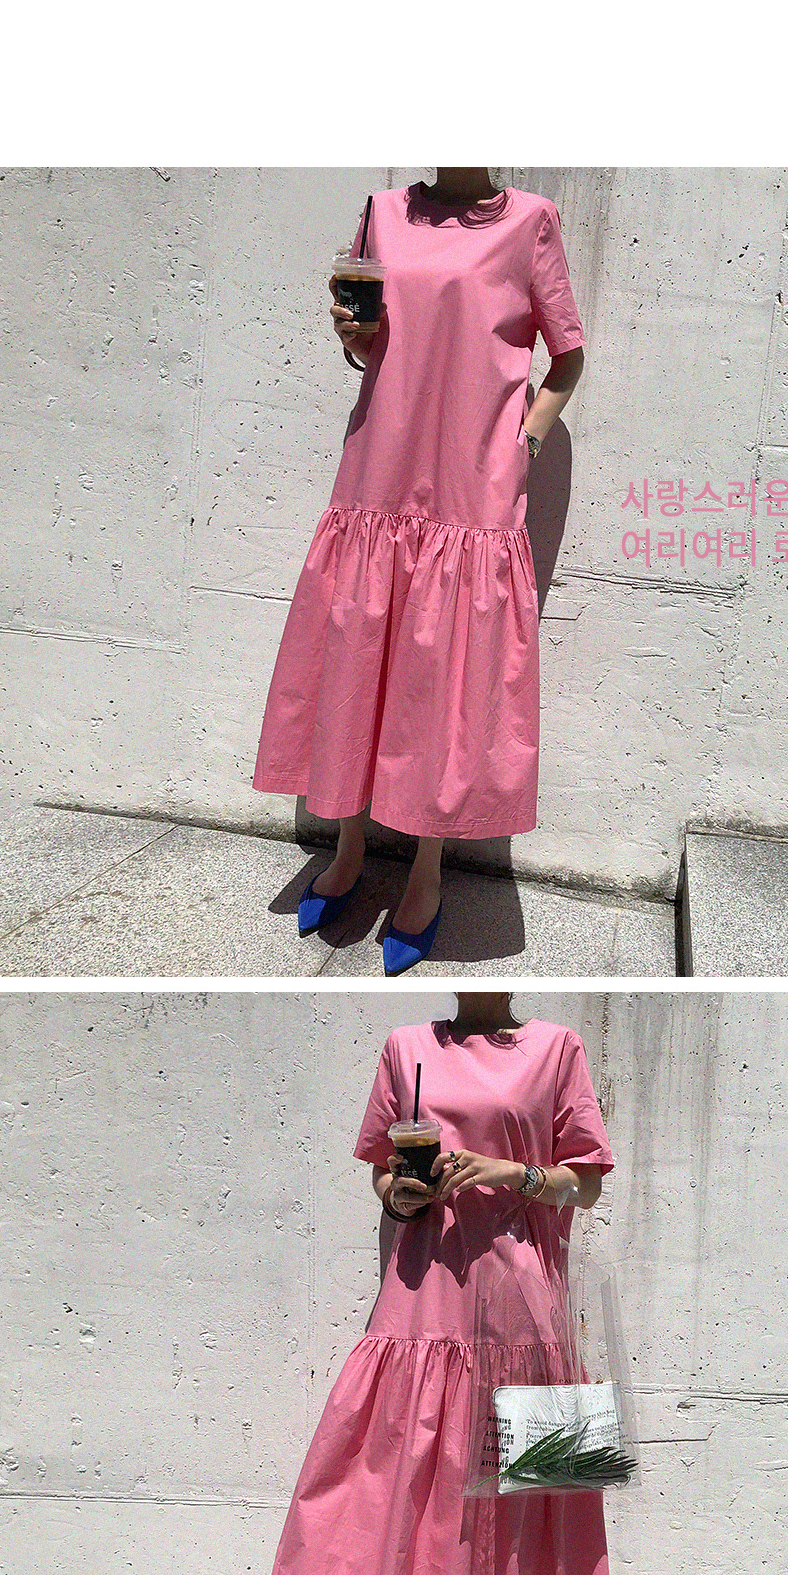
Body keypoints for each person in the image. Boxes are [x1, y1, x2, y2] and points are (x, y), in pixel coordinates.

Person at [271, 995, 615, 1575]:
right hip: (423, 1302)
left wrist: (510, 1172)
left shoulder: (557, 1047)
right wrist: (402, 1196)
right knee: (423, 1504)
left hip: (524, 1307)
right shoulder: (406, 1047)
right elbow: (383, 1171)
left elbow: (588, 1184)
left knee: (514, 1506)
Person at [253, 168, 585, 973]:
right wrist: (352, 335)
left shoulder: (531, 223)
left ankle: (427, 869)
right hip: (382, 457)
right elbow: (370, 344)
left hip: (473, 477)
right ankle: (348, 849)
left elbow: (568, 358)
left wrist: (525, 442)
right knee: (357, 646)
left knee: (444, 671)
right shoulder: (382, 213)